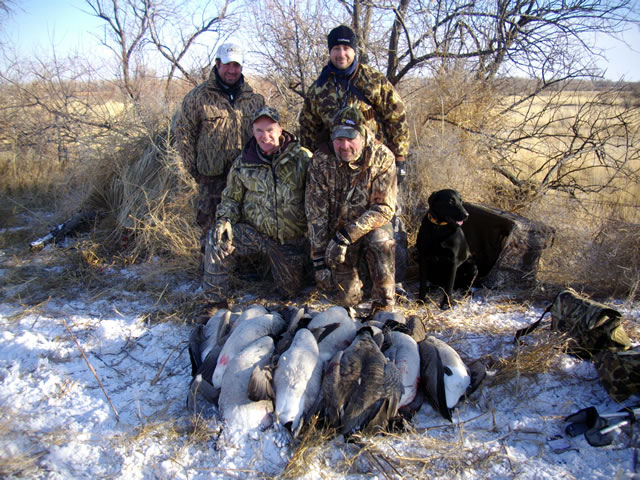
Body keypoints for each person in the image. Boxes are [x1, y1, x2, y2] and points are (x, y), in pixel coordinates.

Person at [203, 106, 312, 299]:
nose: (265, 136)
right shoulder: (243, 162)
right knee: (217, 237)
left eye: (270, 130)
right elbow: (231, 198)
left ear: (280, 129)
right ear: (253, 132)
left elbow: (316, 199)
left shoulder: (302, 157)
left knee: (290, 292)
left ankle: (281, 268)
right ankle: (215, 300)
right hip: (256, 234)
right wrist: (225, 219)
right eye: (259, 131)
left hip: (289, 239)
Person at [174, 42, 265, 256]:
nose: (232, 70)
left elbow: (265, 133)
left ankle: (242, 267)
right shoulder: (198, 97)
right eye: (227, 64)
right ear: (217, 64)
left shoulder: (255, 99)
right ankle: (210, 269)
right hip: (211, 177)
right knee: (210, 229)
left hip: (246, 176)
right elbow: (184, 134)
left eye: (236, 65)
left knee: (245, 223)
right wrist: (194, 169)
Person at [305, 107, 397, 315]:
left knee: (381, 240)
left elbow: (384, 209)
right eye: (339, 139)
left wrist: (346, 236)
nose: (344, 146)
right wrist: (319, 260)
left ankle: (384, 304)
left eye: (350, 139)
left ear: (363, 136)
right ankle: (356, 287)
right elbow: (315, 212)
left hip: (366, 230)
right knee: (347, 301)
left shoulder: (382, 157)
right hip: (337, 234)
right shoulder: (321, 160)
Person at [299, 24, 409, 182]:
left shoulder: (373, 80)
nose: (341, 54)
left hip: (372, 164)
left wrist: (399, 158)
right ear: (330, 51)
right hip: (334, 168)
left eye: (346, 48)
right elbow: (308, 127)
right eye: (336, 48)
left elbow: (396, 116)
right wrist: (312, 159)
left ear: (354, 51)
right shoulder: (319, 87)